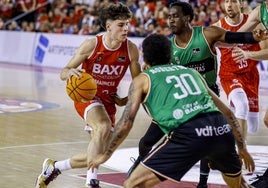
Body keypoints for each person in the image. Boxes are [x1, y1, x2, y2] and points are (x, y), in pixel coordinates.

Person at [127, 2, 267, 187]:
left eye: (175, 16)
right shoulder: (169, 48)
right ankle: (140, 161)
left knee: (208, 142)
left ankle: (202, 183)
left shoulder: (207, 34)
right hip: (180, 101)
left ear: (187, 18)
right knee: (146, 141)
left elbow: (233, 36)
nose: (170, 19)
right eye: (169, 16)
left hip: (207, 98)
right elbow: (158, 76)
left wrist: (253, 37)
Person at [88, 33, 255, 188]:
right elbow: (228, 113)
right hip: (221, 129)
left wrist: (106, 154)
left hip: (189, 133)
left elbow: (126, 123)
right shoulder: (192, 72)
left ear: (145, 58)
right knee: (239, 184)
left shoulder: (142, 79)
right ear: (170, 54)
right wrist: (242, 148)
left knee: (133, 183)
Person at [35, 2, 141, 188]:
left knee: (100, 152)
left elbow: (139, 81)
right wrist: (69, 73)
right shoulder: (92, 45)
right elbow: (64, 71)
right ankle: (91, 181)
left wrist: (126, 99)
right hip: (87, 97)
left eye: (127, 24)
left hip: (108, 101)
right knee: (102, 125)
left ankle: (54, 167)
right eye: (121, 25)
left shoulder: (131, 49)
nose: (126, 29)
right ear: (108, 26)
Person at [214, 0, 268, 140]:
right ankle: (239, 150)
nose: (229, 5)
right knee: (241, 106)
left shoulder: (257, 20)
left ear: (242, 4)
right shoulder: (258, 13)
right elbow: (235, 36)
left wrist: (248, 53)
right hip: (230, 74)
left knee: (255, 126)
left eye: (233, 1)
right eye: (226, 2)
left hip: (250, 75)